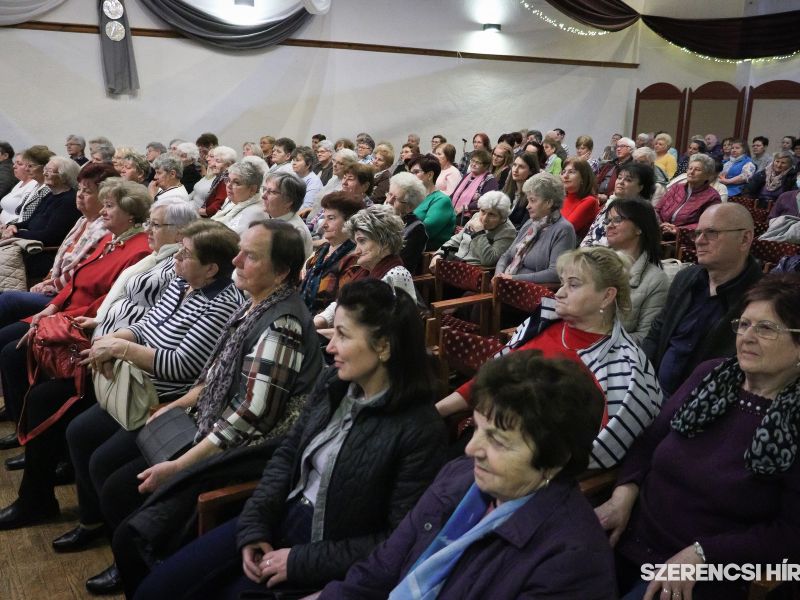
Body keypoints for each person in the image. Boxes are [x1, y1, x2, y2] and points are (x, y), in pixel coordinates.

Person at [132, 279, 447, 599]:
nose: (330, 347)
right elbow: (287, 455)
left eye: (343, 335)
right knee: (157, 589)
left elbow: (397, 540)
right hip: (282, 516)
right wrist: (255, 524)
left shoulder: (420, 431)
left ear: (384, 346)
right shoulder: (333, 385)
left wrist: (300, 562)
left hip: (326, 552)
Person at [75, 222, 323, 595]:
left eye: (251, 256)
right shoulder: (259, 305)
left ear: (282, 272)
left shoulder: (281, 324)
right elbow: (215, 379)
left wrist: (179, 465)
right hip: (211, 421)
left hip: (247, 452)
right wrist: (176, 404)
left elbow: (250, 418)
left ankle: (145, 572)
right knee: (107, 470)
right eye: (239, 250)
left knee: (123, 507)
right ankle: (135, 565)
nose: (236, 261)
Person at [322, 351, 617, 599]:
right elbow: (380, 568)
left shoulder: (573, 562)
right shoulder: (460, 477)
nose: (471, 449)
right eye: (475, 428)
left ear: (556, 457)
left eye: (498, 441)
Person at [597, 274, 800, 600]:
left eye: (766, 328)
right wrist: (622, 496)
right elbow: (650, 441)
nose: (747, 337)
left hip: (708, 572)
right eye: (744, 324)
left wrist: (703, 554)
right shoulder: (710, 375)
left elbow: (791, 533)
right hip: (631, 535)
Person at [0, 179, 153, 525]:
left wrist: (64, 321)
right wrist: (50, 311)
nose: (103, 210)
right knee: (16, 352)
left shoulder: (139, 249)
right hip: (78, 321)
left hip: (93, 335)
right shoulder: (114, 240)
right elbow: (75, 282)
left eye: (110, 206)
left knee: (28, 372)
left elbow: (108, 305)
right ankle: (39, 455)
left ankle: (38, 488)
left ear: (130, 215)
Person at [439, 246, 663, 469]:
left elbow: (609, 445)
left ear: (607, 296)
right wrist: (438, 410)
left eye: (573, 285)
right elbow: (494, 379)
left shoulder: (623, 365)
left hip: (529, 469)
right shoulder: (542, 323)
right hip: (486, 432)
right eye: (562, 283)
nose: (559, 293)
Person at [642, 203, 762, 395]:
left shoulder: (761, 299)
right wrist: (639, 375)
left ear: (745, 239)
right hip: (651, 390)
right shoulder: (686, 278)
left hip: (702, 405)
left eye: (711, 233)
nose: (699, 241)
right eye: (697, 233)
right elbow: (658, 330)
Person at [0, 163, 117, 330]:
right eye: (80, 190)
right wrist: (48, 279)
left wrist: (50, 284)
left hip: (68, 299)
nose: (80, 195)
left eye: (88, 191)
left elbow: (82, 272)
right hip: (55, 287)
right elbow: (63, 257)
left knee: (7, 300)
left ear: (104, 198)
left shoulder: (105, 229)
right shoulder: (83, 220)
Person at [314, 205, 417, 331]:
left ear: (383, 242)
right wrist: (320, 320)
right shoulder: (364, 271)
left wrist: (330, 333)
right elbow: (342, 303)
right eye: (356, 243)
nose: (356, 251)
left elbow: (391, 331)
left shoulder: (397, 274)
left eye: (362, 241)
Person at [494, 172, 576, 284]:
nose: (527, 206)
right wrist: (498, 276)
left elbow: (555, 273)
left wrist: (514, 279)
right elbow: (506, 256)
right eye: (528, 200)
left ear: (549, 203)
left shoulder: (564, 230)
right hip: (506, 286)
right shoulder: (530, 223)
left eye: (532, 200)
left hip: (532, 295)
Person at [605, 199, 668, 342]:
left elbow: (646, 337)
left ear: (639, 228)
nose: (609, 226)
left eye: (618, 220)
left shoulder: (656, 280)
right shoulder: (593, 263)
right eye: (608, 221)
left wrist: (601, 341)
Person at [299, 192, 363, 313]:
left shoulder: (355, 258)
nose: (323, 225)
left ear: (349, 222)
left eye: (331, 218)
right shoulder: (322, 251)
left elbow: (340, 307)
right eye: (324, 217)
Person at [429, 191, 516, 271]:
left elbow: (489, 260)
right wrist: (439, 254)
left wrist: (479, 233)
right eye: (483, 211)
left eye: (492, 215)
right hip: (455, 265)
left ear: (502, 217)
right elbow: (456, 240)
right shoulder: (477, 217)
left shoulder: (507, 231)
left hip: (475, 274)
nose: (484, 219)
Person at [582, 162, 656, 248]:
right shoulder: (612, 203)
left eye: (628, 180)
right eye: (619, 177)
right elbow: (591, 233)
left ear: (641, 187)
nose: (621, 182)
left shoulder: (642, 212)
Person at [655, 153, 721, 237]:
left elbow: (707, 224)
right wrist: (661, 224)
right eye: (690, 168)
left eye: (697, 169)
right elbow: (657, 209)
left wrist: (678, 230)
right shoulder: (676, 188)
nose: (691, 172)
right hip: (660, 231)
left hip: (685, 239)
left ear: (707, 175)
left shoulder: (712, 197)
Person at [2, 145, 54, 232]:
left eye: (30, 166)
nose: (26, 169)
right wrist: (9, 226)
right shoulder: (36, 186)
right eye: (26, 165)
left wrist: (11, 228)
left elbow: (30, 220)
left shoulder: (47, 189)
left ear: (44, 167)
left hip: (25, 234)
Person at [409, 154, 456, 250]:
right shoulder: (412, 196)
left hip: (425, 253)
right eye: (410, 173)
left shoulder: (442, 200)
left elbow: (424, 231)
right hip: (409, 245)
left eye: (416, 172)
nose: (411, 176)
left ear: (430, 175)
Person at [384, 172, 428, 275]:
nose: (389, 201)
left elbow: (402, 267)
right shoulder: (381, 216)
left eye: (396, 199)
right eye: (390, 194)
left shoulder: (416, 230)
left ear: (410, 206)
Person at [263, 172, 313, 258]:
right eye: (264, 189)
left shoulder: (292, 233)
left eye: (271, 192)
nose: (263, 196)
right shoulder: (277, 221)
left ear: (289, 201)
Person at [211, 159, 267, 235]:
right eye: (228, 180)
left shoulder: (256, 213)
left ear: (252, 189)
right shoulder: (234, 201)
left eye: (236, 182)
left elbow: (234, 241)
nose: (229, 185)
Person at [450, 149, 499, 221]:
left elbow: (487, 202)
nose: (473, 164)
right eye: (472, 161)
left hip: (471, 216)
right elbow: (454, 194)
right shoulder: (467, 175)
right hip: (455, 211)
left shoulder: (490, 180)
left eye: (478, 162)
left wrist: (466, 207)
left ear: (486, 166)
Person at [560, 157, 599, 239]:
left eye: (571, 172)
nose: (565, 176)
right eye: (563, 172)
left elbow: (564, 230)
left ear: (583, 177)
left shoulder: (590, 201)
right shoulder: (562, 197)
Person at [502, 152, 540, 228]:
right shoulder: (507, 190)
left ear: (531, 171)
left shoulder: (533, 197)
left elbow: (524, 227)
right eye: (514, 165)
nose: (515, 170)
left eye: (521, 167)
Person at [198, 146, 237, 217]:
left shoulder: (226, 179)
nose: (213, 164)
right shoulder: (220, 176)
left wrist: (200, 211)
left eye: (218, 161)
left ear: (228, 165)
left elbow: (218, 204)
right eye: (214, 160)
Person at [596, 136, 635, 205]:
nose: (618, 149)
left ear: (630, 149)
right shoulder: (610, 164)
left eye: (622, 146)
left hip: (616, 201)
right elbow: (598, 180)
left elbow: (626, 187)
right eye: (617, 146)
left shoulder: (632, 167)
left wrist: (607, 196)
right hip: (597, 197)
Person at [0, 153, 37, 224]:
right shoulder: (20, 182)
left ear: (30, 167)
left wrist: (7, 226)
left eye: (19, 164)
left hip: (11, 229)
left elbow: (23, 215)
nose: (14, 166)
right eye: (15, 163)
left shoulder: (33, 185)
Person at [291, 146, 323, 211]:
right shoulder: (294, 176)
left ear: (308, 164)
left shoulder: (314, 182)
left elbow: (306, 207)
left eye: (297, 160)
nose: (294, 163)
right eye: (293, 160)